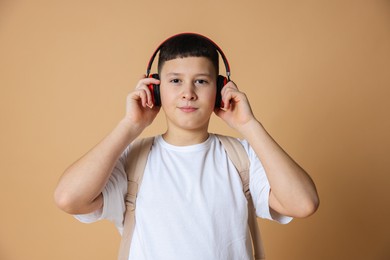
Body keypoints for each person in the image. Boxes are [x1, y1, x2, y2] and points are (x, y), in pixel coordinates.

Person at [54, 33, 319, 260]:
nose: (188, 92)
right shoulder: (134, 161)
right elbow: (69, 198)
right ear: (155, 89)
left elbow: (303, 203)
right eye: (175, 81)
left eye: (201, 81)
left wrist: (249, 124)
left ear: (221, 88)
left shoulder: (241, 158)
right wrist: (130, 126)